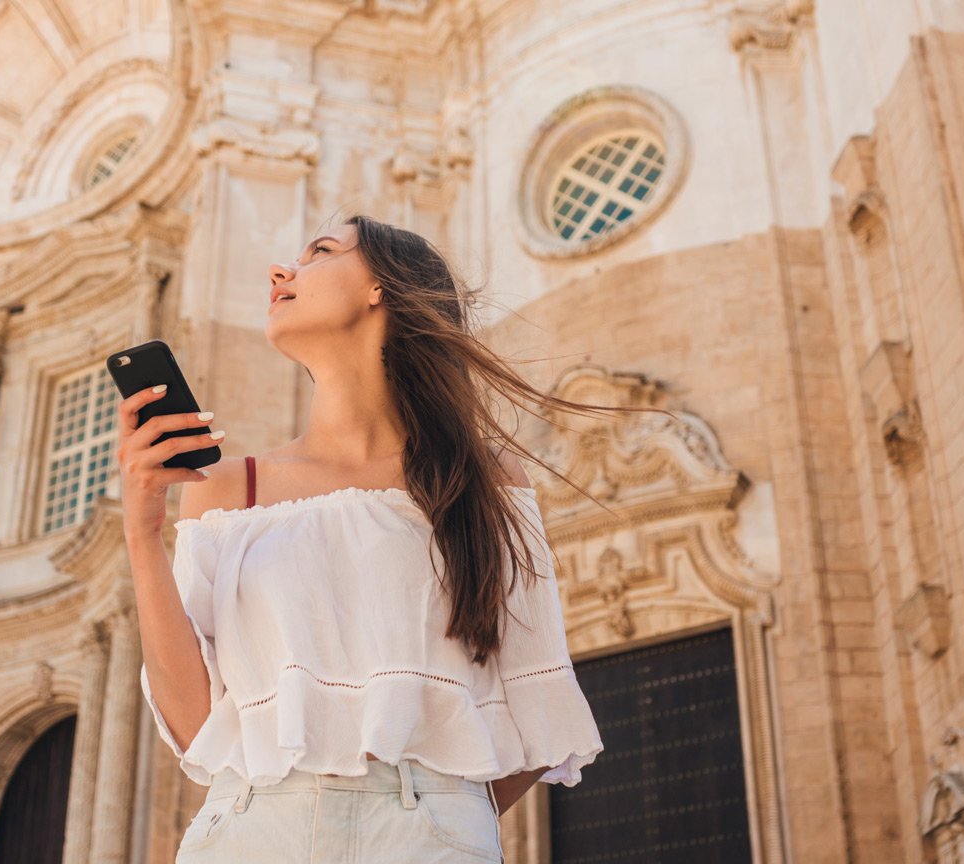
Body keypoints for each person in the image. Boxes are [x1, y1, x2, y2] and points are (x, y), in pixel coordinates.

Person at [117, 215, 669, 862]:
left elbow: (533, 699)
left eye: (319, 252)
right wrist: (142, 531)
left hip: (425, 833)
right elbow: (193, 723)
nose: (280, 271)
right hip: (250, 828)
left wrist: (440, 816)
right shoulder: (227, 487)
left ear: (381, 287)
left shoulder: (481, 480)